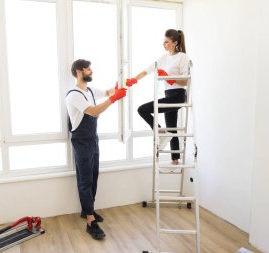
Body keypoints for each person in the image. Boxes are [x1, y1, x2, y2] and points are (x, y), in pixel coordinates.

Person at [66, 59, 127, 240]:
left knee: (93, 176)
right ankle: (90, 221)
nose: (91, 71)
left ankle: (88, 211)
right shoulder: (74, 94)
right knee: (85, 180)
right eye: (88, 69)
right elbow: (92, 111)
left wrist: (118, 86)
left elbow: (108, 92)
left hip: (93, 139)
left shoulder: (90, 90)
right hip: (81, 141)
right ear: (79, 72)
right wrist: (113, 98)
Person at [126, 29, 190, 165]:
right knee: (171, 127)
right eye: (163, 42)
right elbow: (147, 70)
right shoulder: (164, 58)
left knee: (142, 109)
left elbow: (185, 81)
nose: (164, 44)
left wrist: (169, 78)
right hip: (168, 94)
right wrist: (133, 80)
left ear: (175, 42)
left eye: (166, 42)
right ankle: (175, 159)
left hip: (178, 95)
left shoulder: (182, 57)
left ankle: (160, 131)